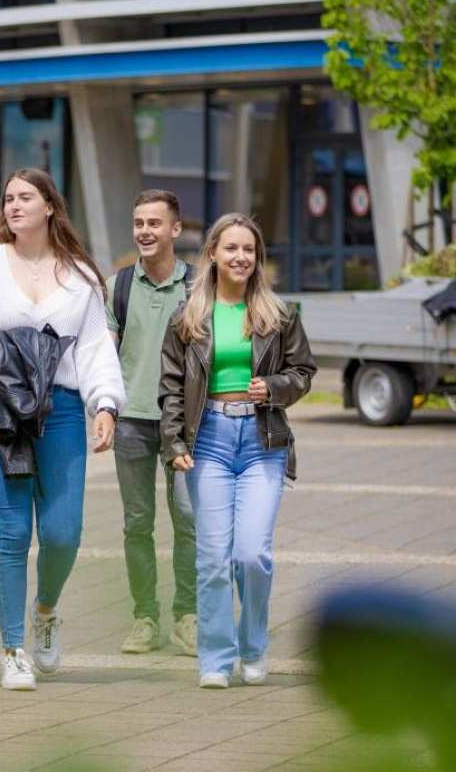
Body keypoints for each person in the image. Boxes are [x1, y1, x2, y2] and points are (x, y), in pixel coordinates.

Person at [0, 168, 124, 691]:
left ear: (50, 206)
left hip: (62, 410)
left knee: (63, 534)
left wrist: (105, 405)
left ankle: (45, 611)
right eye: (9, 198)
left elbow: (93, 350)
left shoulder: (81, 277)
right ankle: (12, 649)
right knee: (14, 531)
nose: (14, 205)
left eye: (26, 197)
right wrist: (10, 356)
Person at [159, 213, 315, 689]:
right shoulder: (188, 317)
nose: (240, 257)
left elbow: (304, 372)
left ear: (257, 258)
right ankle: (215, 658)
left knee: (251, 554)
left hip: (262, 443)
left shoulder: (279, 315)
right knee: (211, 558)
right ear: (213, 254)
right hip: (207, 441)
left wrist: (272, 387)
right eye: (231, 249)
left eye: (248, 250)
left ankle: (254, 647)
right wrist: (173, 441)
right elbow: (169, 386)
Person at [106, 189, 197, 657]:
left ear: (175, 230)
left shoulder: (199, 287)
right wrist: (104, 407)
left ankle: (188, 616)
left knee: (188, 520)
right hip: (132, 424)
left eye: (154, 223)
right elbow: (105, 353)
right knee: (137, 524)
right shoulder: (119, 286)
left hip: (184, 425)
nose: (145, 230)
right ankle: (145, 618)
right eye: (139, 222)